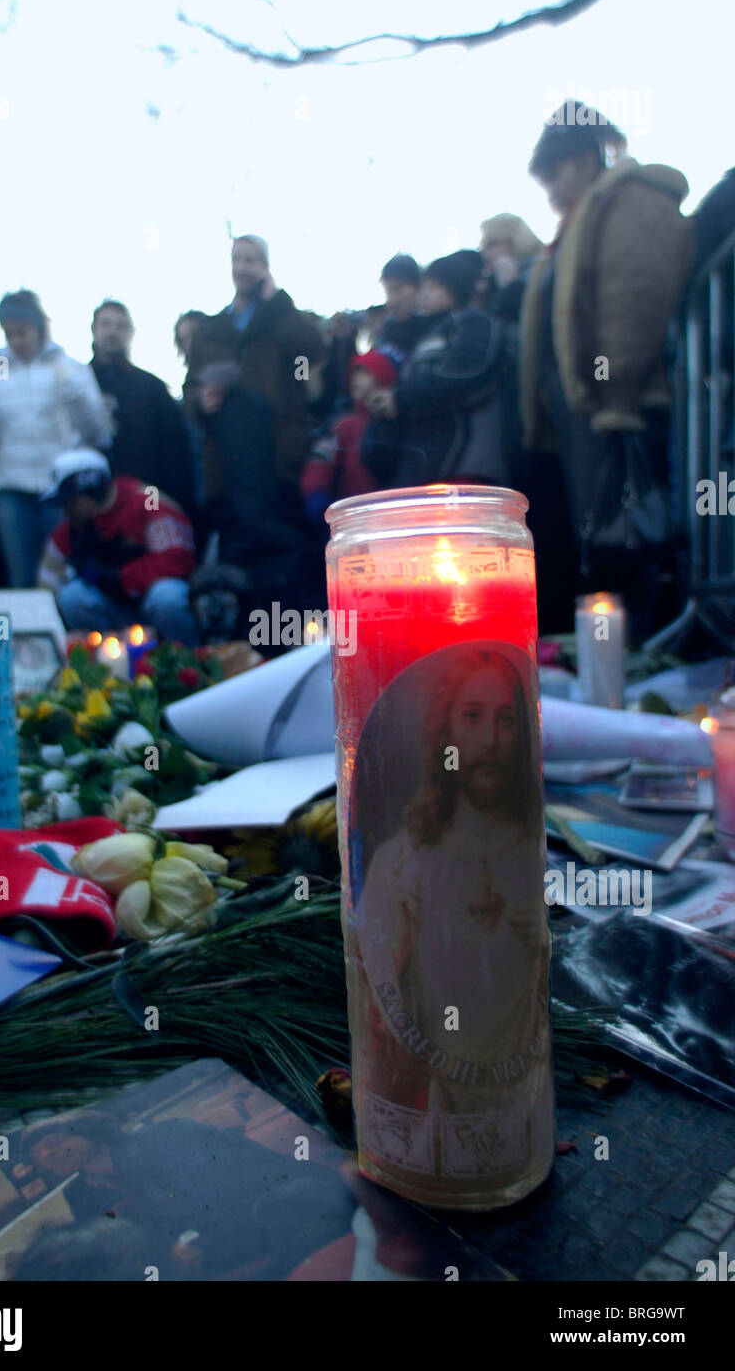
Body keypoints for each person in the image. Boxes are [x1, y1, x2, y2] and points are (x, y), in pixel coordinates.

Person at [520, 99, 694, 638]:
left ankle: (639, 654)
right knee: (602, 540)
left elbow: (633, 301)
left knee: (630, 539)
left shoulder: (629, 202)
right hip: (584, 412)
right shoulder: (583, 218)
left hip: (614, 409)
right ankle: (615, 656)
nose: (550, 187)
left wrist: (610, 388)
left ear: (586, 157)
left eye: (557, 171)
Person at [358, 649, 549, 1138]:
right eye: (472, 716)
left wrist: (543, 947)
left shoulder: (532, 850)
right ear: (446, 732)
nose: (490, 740)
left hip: (520, 1112)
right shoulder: (400, 868)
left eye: (506, 720)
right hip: (435, 1121)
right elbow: (378, 1010)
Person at [0, 290, 111, 588]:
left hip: (61, 490)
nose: (16, 341)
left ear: (38, 327)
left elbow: (98, 433)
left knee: (62, 573)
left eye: (22, 332)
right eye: (9, 333)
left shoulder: (71, 369)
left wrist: (76, 395)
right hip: (10, 489)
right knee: (21, 578)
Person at [184, 235, 325, 485]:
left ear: (265, 268)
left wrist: (278, 302)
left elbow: (310, 350)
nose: (241, 268)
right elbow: (190, 388)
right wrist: (200, 400)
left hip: (278, 452)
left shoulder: (283, 318)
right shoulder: (208, 331)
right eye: (236, 259)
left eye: (250, 260)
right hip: (226, 457)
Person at [363, 252, 506, 488]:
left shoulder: (474, 322)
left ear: (455, 287)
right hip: (431, 465)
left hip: (463, 463)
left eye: (434, 286)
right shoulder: (431, 332)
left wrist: (400, 397)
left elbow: (466, 372)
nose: (424, 294)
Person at [192, 361, 312, 624]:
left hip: (251, 523)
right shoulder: (237, 411)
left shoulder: (237, 413)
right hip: (258, 519)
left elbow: (248, 476)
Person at [37, 447, 198, 642]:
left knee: (167, 598)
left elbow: (178, 559)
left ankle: (187, 660)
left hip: (154, 604)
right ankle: (110, 662)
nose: (65, 509)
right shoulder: (75, 525)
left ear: (93, 490)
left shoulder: (148, 499)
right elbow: (46, 583)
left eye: (71, 501)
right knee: (73, 597)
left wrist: (122, 578)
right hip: (119, 615)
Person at [90, 299, 197, 517]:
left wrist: (177, 504)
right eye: (106, 324)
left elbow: (174, 452)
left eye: (120, 326)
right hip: (91, 499)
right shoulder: (77, 385)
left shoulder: (152, 388)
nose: (112, 332)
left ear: (130, 333)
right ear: (94, 329)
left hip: (148, 493)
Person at [300, 351, 395, 524]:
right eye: (354, 373)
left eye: (365, 372)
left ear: (382, 377)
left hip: (389, 517)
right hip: (350, 517)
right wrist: (315, 490)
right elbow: (321, 460)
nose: (356, 379)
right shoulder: (343, 425)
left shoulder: (397, 423)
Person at [478, 214, 544, 324]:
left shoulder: (538, 272)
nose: (485, 253)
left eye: (492, 244)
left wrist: (511, 287)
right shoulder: (492, 279)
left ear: (515, 241)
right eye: (482, 246)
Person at [374, 254, 422, 365]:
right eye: (388, 291)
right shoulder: (386, 334)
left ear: (418, 287)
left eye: (398, 289)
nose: (392, 300)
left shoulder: (438, 330)